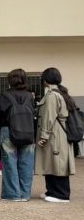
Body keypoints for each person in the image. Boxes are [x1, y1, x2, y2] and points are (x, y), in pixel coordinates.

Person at [36, 67, 76, 203]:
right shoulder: (61, 93)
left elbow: (49, 117)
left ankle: (61, 195)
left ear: (45, 80)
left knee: (58, 164)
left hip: (55, 134)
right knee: (52, 163)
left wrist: (44, 136)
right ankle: (52, 191)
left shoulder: (52, 95)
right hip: (58, 133)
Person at [0, 68, 35, 201]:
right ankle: (25, 194)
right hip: (28, 131)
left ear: (10, 80)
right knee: (27, 163)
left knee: (9, 163)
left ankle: (12, 194)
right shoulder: (30, 96)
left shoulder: (5, 95)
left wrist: (0, 133)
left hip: (8, 130)